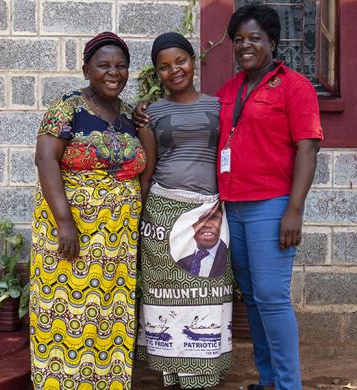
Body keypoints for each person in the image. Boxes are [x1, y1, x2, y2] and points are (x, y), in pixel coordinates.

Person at [30, 31, 148, 390]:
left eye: (121, 66)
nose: (113, 73)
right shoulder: (68, 107)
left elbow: (145, 167)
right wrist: (65, 222)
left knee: (110, 318)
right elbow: (45, 159)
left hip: (116, 245)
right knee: (65, 316)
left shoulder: (129, 115)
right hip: (73, 235)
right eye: (103, 65)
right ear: (86, 70)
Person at [216, 5, 322, 390]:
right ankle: (269, 380)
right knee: (254, 300)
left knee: (273, 298)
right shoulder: (229, 90)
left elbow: (308, 149)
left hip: (272, 206)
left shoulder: (295, 86)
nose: (245, 45)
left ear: (272, 42)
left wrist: (294, 209)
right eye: (239, 39)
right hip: (234, 208)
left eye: (254, 38)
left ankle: (288, 384)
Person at [135, 31, 234, 390]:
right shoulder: (150, 114)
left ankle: (202, 373)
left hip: (208, 211)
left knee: (207, 290)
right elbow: (148, 167)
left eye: (180, 61)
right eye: (164, 67)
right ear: (157, 73)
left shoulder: (218, 106)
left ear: (194, 61)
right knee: (164, 292)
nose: (174, 70)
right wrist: (139, 217)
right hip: (163, 211)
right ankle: (171, 371)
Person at [175, 205, 228, 278]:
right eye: (200, 219)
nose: (207, 224)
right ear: (191, 224)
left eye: (213, 217)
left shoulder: (230, 258)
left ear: (221, 220)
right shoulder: (180, 263)